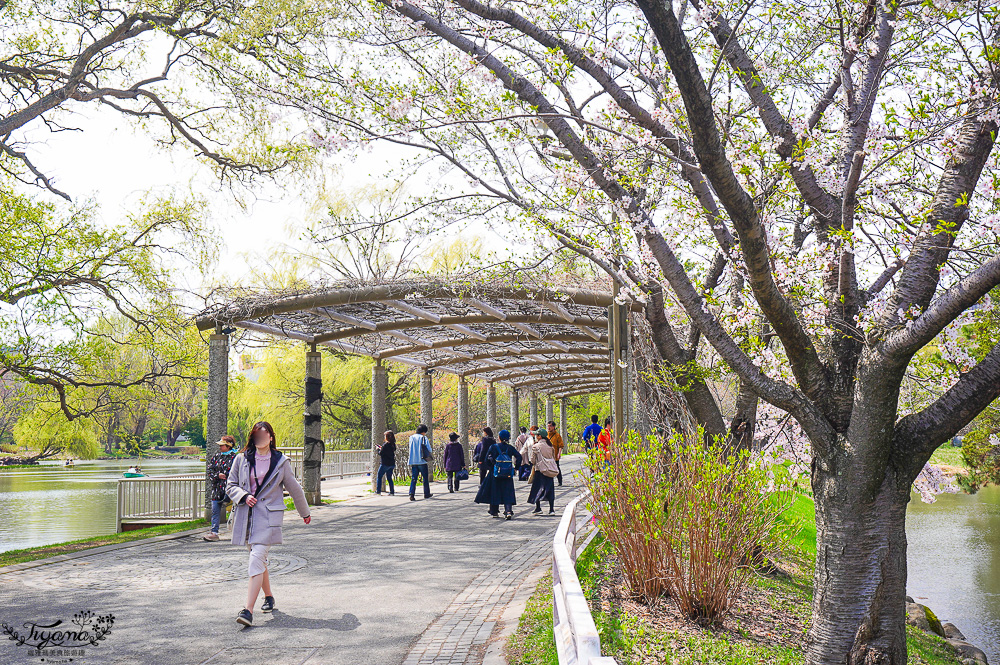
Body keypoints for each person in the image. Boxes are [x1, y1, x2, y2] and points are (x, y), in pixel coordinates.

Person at [227, 421, 311, 626]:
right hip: (247, 517)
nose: (261, 439)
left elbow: (294, 487)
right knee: (258, 559)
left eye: (264, 435)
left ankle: (248, 610)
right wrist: (243, 495)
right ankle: (269, 597)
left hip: (268, 518)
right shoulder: (241, 459)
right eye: (257, 436)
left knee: (256, 559)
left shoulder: (281, 461)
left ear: (271, 438)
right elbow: (230, 485)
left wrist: (305, 512)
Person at [474, 429, 523, 519]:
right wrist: (516, 468)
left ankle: (494, 511)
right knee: (507, 491)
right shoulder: (510, 448)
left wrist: (491, 466)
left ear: (499, 437)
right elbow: (519, 456)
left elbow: (486, 459)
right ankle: (508, 510)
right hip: (507, 473)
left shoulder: (493, 447)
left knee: (494, 491)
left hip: (495, 473)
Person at [204, 435, 238, 541]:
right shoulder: (216, 456)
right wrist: (217, 475)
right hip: (217, 489)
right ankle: (214, 532)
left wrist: (227, 476)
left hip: (231, 488)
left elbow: (238, 472)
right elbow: (210, 470)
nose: (220, 447)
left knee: (236, 510)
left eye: (222, 445)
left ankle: (237, 531)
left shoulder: (235, 458)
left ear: (229, 446)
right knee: (215, 510)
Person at [527, 434, 559, 514]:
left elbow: (533, 460)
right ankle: (551, 509)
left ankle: (538, 508)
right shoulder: (550, 446)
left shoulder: (536, 446)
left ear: (539, 436)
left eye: (536, 435)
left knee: (537, 489)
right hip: (549, 470)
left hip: (539, 471)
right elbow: (553, 457)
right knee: (550, 489)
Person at [408, 424, 433, 501]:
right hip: (422, 461)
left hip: (413, 460)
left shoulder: (411, 437)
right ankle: (426, 493)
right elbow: (429, 449)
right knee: (425, 478)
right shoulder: (423, 438)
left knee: (414, 478)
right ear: (423, 432)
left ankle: (411, 494)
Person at [376, 430, 396, 495]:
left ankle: (378, 491)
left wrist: (378, 449)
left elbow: (381, 453)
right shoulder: (393, 444)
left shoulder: (385, 445)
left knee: (379, 476)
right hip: (391, 463)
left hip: (385, 463)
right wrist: (381, 448)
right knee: (389, 478)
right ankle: (392, 491)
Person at [546, 420, 565, 486]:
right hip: (548, 455)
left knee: (556, 468)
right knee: (548, 469)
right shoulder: (546, 435)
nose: (549, 427)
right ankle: (548, 482)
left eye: (550, 426)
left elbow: (561, 446)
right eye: (548, 426)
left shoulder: (557, 435)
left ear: (554, 427)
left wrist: (559, 454)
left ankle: (560, 481)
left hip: (555, 455)